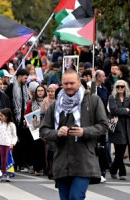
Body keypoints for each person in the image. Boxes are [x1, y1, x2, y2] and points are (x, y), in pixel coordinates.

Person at [40, 70, 108, 200]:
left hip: (84, 160)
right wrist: (57, 133)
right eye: (65, 83)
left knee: (76, 197)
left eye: (72, 83)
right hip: (61, 162)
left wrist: (85, 131)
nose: (69, 86)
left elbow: (104, 126)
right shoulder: (55, 104)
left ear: (79, 82)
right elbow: (43, 130)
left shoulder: (93, 100)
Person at [107, 79, 130, 180]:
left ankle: (113, 169)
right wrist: (125, 110)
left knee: (122, 150)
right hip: (117, 127)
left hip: (128, 127)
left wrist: (124, 111)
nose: (120, 88)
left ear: (125, 88)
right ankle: (122, 172)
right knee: (119, 150)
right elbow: (113, 110)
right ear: (115, 88)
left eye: (122, 86)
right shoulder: (112, 97)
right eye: (118, 86)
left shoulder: (129, 97)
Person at [0, 108, 18, 181]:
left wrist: (12, 143)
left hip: (8, 144)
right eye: (0, 116)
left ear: (7, 116)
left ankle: (8, 173)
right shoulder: (0, 123)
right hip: (1, 143)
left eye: (2, 116)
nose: (0, 117)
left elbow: (15, 136)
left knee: (8, 159)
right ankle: (4, 173)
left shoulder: (12, 125)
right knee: (3, 159)